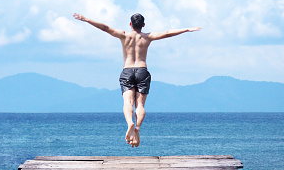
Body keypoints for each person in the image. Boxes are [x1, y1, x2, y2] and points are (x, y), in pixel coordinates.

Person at [73, 12, 202, 148]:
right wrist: (187, 29)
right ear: (143, 25)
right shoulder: (148, 37)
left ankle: (130, 123)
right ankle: (137, 128)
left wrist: (86, 19)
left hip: (127, 70)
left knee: (127, 102)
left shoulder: (124, 35)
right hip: (142, 71)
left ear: (130, 24)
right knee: (140, 105)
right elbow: (168, 33)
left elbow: (105, 28)